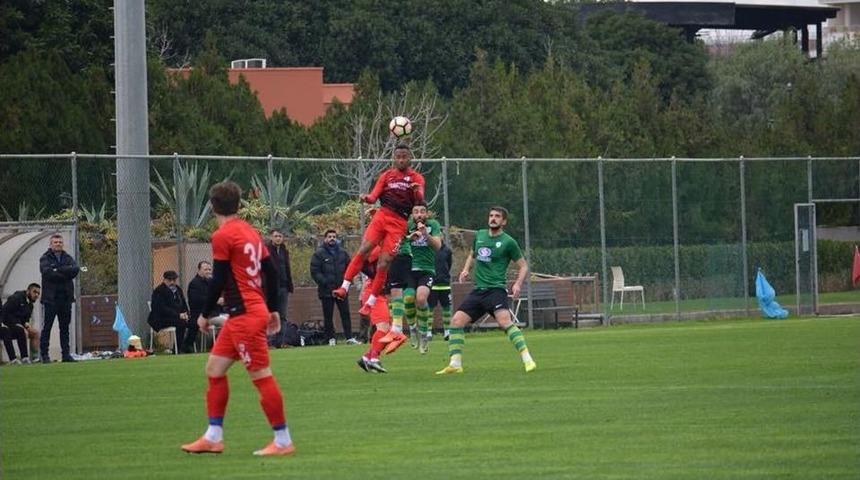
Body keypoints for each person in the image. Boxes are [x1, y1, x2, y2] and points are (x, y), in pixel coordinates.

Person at [181, 180, 295, 457]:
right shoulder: (250, 232)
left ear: (212, 206)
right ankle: (213, 437)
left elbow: (218, 278)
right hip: (242, 314)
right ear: (239, 204)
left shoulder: (224, 235)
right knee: (214, 369)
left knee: (261, 377)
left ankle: (282, 440)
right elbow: (273, 271)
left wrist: (204, 314)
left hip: (244, 316)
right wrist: (273, 309)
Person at [436, 206, 536, 375]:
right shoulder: (480, 235)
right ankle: (455, 364)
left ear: (503, 221)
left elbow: (523, 266)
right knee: (456, 322)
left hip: (496, 290)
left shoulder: (508, 242)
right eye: (491, 215)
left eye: (497, 216)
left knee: (505, 322)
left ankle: (528, 359)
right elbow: (472, 254)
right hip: (478, 291)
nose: (493, 219)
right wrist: (466, 269)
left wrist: (518, 284)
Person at [331, 143, 425, 317]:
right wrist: (366, 198)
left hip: (399, 223)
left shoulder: (416, 178)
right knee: (363, 250)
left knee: (384, 263)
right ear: (394, 158)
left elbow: (420, 200)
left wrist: (415, 191)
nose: (401, 160)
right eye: (398, 157)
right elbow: (374, 196)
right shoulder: (387, 176)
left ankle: (371, 302)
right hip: (382, 216)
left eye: (404, 156)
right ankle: (344, 287)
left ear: (410, 158)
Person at [356, 246, 406, 373]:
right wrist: (375, 276)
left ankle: (367, 357)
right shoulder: (378, 249)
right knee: (383, 329)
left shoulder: (394, 250)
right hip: (373, 294)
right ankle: (373, 358)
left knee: (391, 333)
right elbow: (362, 262)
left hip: (381, 295)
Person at [401, 203, 442, 353]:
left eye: (422, 212)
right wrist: (409, 238)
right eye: (416, 212)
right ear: (412, 214)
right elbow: (398, 242)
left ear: (427, 214)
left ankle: (424, 333)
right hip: (409, 268)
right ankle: (412, 329)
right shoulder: (407, 225)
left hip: (427, 269)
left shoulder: (433, 225)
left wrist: (425, 234)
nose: (419, 215)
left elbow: (438, 246)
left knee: (421, 298)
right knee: (408, 299)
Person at [310, 229, 358, 345]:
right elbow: (315, 271)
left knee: (345, 314)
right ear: (325, 239)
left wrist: (346, 284)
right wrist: (326, 283)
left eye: (334, 236)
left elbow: (350, 268)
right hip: (326, 290)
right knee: (328, 315)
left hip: (341, 290)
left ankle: (349, 337)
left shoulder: (342, 253)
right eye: (329, 236)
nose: (332, 238)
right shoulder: (319, 254)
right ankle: (331, 338)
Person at [39, 233, 80, 363]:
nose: (58, 244)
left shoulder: (67, 257)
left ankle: (66, 355)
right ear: (51, 245)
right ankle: (44, 355)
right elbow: (47, 273)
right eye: (55, 242)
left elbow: (75, 269)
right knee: (47, 327)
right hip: (51, 299)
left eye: (60, 242)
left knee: (65, 328)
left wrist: (57, 270)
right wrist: (64, 272)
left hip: (65, 298)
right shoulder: (45, 258)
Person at [148, 270, 191, 353]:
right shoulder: (159, 291)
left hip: (175, 317)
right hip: (160, 318)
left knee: (192, 322)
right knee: (181, 323)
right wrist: (178, 315)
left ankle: (187, 346)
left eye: (174, 280)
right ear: (164, 280)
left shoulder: (178, 289)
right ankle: (177, 349)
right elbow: (161, 309)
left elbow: (184, 304)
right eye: (169, 280)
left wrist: (187, 314)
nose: (172, 282)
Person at [265, 228, 295, 348]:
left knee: (282, 315)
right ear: (271, 237)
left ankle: (281, 342)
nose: (278, 238)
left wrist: (289, 285)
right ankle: (270, 342)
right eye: (276, 236)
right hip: (271, 288)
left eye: (280, 236)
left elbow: (287, 269)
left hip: (283, 287)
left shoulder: (284, 251)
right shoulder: (266, 251)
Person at [1, 283, 42, 364]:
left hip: (19, 324)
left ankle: (34, 358)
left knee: (35, 333)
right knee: (23, 331)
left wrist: (26, 324)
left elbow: (26, 319)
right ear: (28, 291)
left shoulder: (30, 305)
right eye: (34, 292)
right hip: (8, 324)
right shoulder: (16, 298)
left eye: (38, 293)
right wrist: (16, 323)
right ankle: (24, 357)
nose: (36, 295)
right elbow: (5, 312)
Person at [187, 261, 218, 351]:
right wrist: (215, 300)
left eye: (209, 269)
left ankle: (215, 345)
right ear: (199, 270)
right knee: (226, 322)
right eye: (205, 269)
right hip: (201, 314)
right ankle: (216, 346)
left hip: (213, 313)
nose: (208, 271)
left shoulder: (210, 282)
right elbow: (197, 300)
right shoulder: (194, 283)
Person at [428, 242, 453, 341]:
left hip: (445, 284)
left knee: (446, 309)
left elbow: (449, 264)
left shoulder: (447, 250)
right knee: (429, 309)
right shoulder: (428, 248)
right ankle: (428, 332)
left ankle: (447, 332)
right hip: (431, 284)